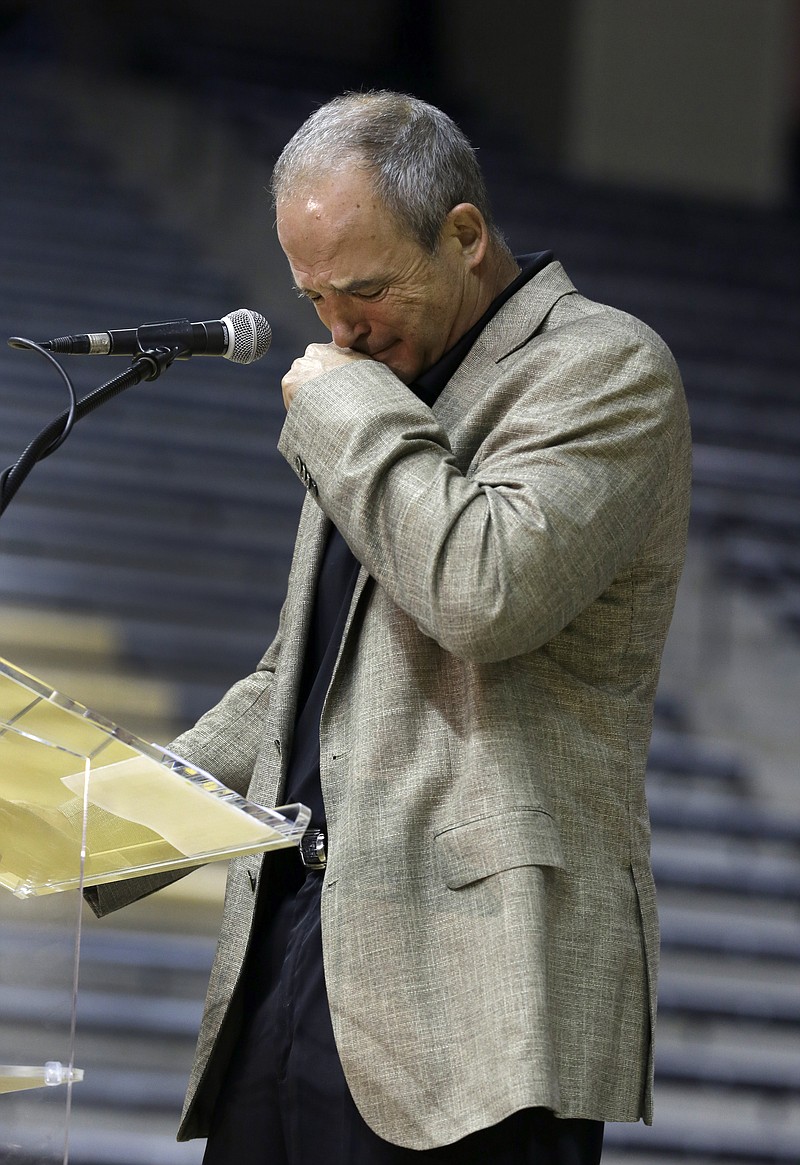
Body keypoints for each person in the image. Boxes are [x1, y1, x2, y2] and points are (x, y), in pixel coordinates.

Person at [90, 91, 691, 1164]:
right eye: (313, 297)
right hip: (295, 960)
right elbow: (298, 680)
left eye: (364, 289)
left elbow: (483, 590)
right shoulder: (382, 391)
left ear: (464, 236)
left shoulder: (603, 367)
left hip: (478, 1002)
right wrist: (112, 819)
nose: (337, 331)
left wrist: (342, 411)